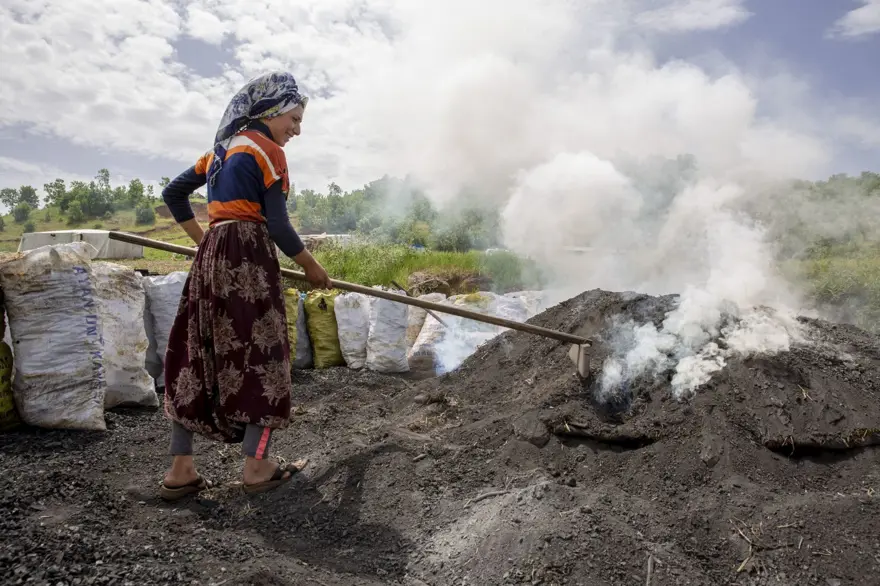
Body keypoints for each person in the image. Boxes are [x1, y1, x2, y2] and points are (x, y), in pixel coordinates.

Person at [158, 71, 332, 500]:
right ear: (271, 112)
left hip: (213, 255)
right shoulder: (267, 151)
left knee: (198, 352)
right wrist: (310, 265)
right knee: (266, 356)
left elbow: (173, 193)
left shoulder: (219, 151)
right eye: (293, 118)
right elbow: (277, 224)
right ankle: (257, 466)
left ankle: (181, 469)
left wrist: (206, 242)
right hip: (249, 258)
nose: (296, 129)